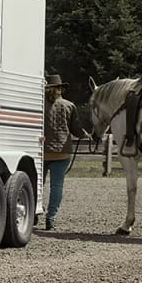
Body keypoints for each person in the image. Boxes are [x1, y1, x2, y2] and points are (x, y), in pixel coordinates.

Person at [42, 72, 90, 230]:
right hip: (62, 152)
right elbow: (76, 129)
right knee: (57, 186)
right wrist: (85, 135)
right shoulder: (69, 106)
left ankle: (34, 213)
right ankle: (51, 217)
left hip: (41, 151)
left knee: (37, 184)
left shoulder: (39, 104)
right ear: (60, 89)